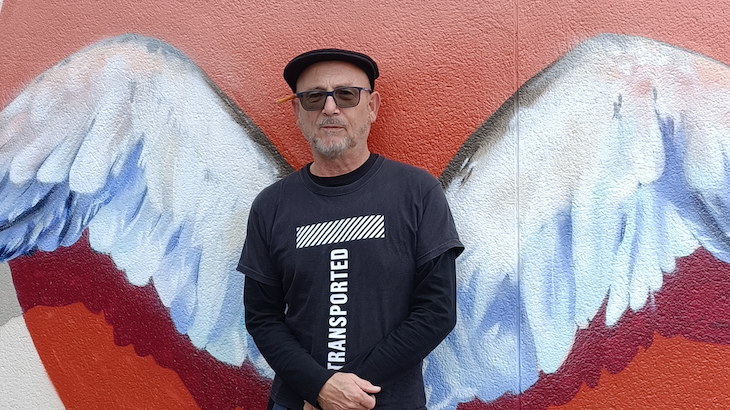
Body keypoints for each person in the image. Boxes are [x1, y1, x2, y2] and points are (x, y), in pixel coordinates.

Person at [238, 48, 463, 410]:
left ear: (372, 107)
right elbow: (262, 316)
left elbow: (437, 311)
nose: (329, 108)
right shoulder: (271, 206)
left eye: (346, 95)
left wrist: (341, 393)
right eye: (313, 97)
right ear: (297, 112)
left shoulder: (417, 193)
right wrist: (318, 387)